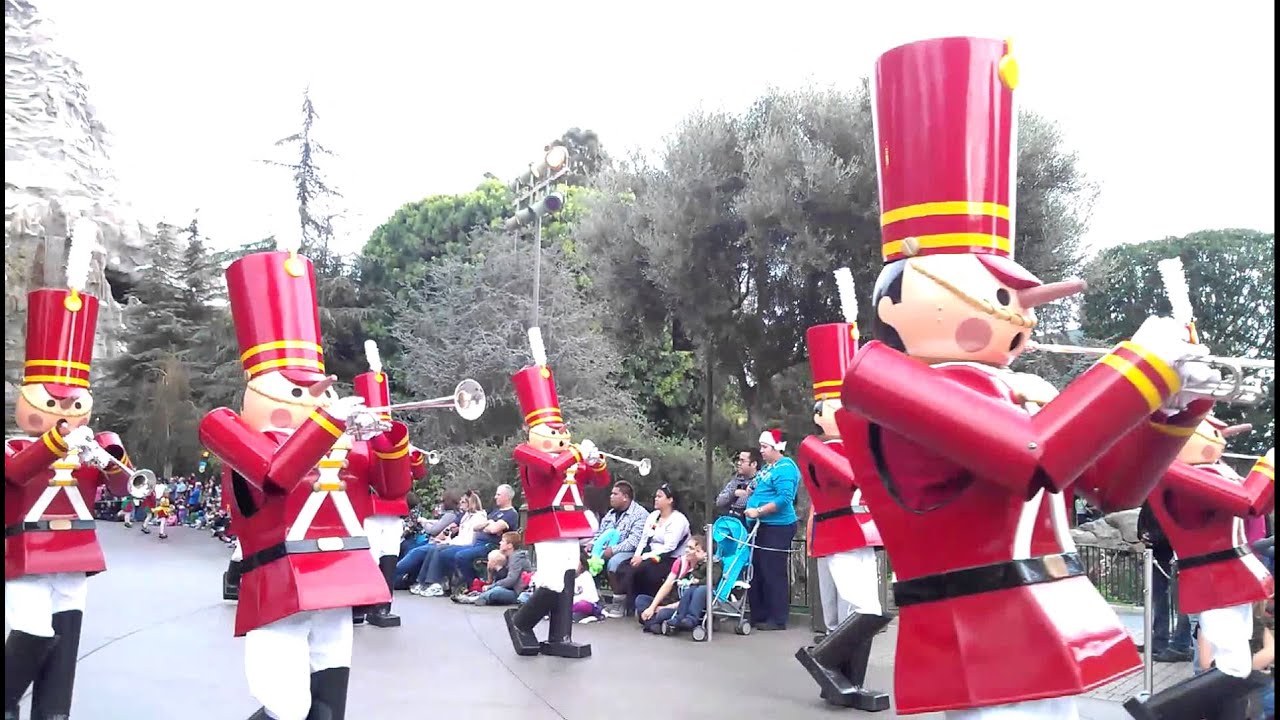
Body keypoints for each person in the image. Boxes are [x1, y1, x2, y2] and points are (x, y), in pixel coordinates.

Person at [835, 36, 1224, 719]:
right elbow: (1035, 459)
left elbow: (1111, 486)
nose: (1021, 314)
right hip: (975, 632)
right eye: (1001, 294)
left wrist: (1172, 410)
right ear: (900, 298)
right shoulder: (886, 384)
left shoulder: (1004, 391)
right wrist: (1135, 369)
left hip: (1039, 617)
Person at [199, 239, 409, 720]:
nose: (314, 397)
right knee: (287, 709)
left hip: (340, 581)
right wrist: (330, 424)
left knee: (329, 708)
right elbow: (276, 475)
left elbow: (393, 489)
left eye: (317, 389)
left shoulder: (336, 438)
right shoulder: (228, 427)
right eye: (297, 388)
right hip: (277, 585)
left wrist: (388, 436)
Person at [5, 218, 137, 720]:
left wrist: (112, 456)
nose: (64, 410)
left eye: (73, 402)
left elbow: (127, 490)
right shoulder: (14, 445)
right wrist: (59, 441)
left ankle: (53, 714)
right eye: (53, 401)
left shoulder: (89, 444)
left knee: (64, 645)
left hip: (75, 553)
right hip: (23, 551)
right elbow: (18, 473)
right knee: (33, 632)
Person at [1125, 436, 1273, 720]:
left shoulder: (1195, 473)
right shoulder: (1180, 475)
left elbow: (1257, 504)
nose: (1220, 441)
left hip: (1227, 574)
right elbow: (1249, 501)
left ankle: (1162, 710)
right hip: (1215, 577)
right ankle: (1159, 711)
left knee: (1237, 665)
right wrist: (1269, 465)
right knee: (1232, 666)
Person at [794, 278, 890, 710]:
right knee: (863, 611)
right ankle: (821, 661)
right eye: (840, 406)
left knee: (866, 613)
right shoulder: (814, 447)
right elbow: (854, 477)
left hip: (863, 535)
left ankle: (846, 682)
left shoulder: (856, 445)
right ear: (819, 414)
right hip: (837, 534)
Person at [505, 326, 611, 659]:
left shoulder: (569, 457)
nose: (561, 436)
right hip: (545, 524)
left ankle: (560, 636)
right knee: (551, 581)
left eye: (562, 431)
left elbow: (599, 482)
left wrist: (596, 462)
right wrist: (576, 453)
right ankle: (521, 621)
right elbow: (550, 469)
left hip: (571, 524)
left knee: (566, 578)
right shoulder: (527, 452)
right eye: (553, 431)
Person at [351, 343, 416, 628]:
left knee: (390, 557)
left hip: (394, 508)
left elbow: (417, 473)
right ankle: (358, 605)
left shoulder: (393, 441)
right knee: (368, 557)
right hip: (370, 507)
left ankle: (382, 606)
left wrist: (410, 455)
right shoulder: (357, 442)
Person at [606, 484, 691, 618]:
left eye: (659, 496)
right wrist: (637, 556)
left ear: (670, 500)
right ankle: (630, 605)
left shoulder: (678, 520)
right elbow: (643, 539)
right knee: (625, 567)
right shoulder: (653, 516)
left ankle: (648, 604)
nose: (655, 499)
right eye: (655, 496)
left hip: (671, 558)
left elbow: (669, 547)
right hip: (650, 554)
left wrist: (643, 557)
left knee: (645, 571)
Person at [418, 484, 519, 597]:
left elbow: (493, 529)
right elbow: (476, 527)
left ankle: (473, 585)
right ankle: (437, 584)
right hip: (477, 544)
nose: (495, 497)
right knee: (443, 552)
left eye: (498, 494)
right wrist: (489, 524)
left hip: (490, 546)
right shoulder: (494, 512)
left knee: (461, 556)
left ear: (507, 496)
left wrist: (488, 526)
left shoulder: (511, 514)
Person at [745, 429, 799, 631]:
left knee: (772, 571)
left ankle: (777, 617)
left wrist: (759, 511)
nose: (761, 451)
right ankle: (759, 613)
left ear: (776, 448)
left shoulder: (786, 469)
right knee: (757, 569)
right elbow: (757, 483)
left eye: (765, 447)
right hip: (762, 526)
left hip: (777, 527)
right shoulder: (769, 467)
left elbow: (784, 499)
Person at [585, 480, 650, 617]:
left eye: (615, 494)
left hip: (630, 551)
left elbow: (634, 542)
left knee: (614, 563)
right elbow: (600, 533)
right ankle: (594, 597)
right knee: (586, 559)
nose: (611, 497)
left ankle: (619, 602)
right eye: (611, 494)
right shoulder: (610, 514)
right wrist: (592, 543)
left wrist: (613, 550)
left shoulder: (640, 514)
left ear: (625, 497)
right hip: (605, 549)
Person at [1138, 500, 1193, 662]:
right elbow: (1142, 521)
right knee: (1158, 600)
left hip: (1173, 554)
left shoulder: (1176, 501)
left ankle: (1181, 644)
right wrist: (1143, 534)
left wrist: (1155, 537)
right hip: (1156, 554)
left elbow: (1176, 528)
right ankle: (1159, 640)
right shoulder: (1150, 501)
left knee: (1182, 602)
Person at [636, 536, 716, 634]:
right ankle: (655, 624)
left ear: (703, 553)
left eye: (691, 549)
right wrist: (652, 607)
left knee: (662, 613)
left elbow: (688, 599)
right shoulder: (681, 562)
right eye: (687, 547)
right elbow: (667, 585)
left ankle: (652, 623)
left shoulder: (703, 570)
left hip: (681, 607)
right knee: (641, 599)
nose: (687, 550)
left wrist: (666, 607)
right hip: (670, 600)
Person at [463, 532, 531, 607]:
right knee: (495, 589)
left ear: (510, 546)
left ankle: (475, 599)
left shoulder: (516, 558)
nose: (500, 543)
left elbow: (511, 580)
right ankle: (481, 597)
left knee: (497, 591)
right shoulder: (508, 557)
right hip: (510, 589)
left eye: (503, 541)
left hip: (517, 593)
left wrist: (492, 586)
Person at [715, 449, 759, 519]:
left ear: (754, 464)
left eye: (742, 461)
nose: (739, 463)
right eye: (739, 460)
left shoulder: (760, 481)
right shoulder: (735, 481)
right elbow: (719, 502)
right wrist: (734, 493)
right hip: (731, 520)